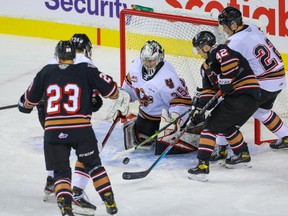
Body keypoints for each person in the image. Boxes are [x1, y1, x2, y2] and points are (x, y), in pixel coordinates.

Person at [18, 40, 118, 216]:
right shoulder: (87, 69)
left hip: (54, 132)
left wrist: (25, 103)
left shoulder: (46, 72)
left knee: (61, 171)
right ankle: (109, 199)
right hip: (81, 131)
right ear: (74, 56)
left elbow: (27, 103)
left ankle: (65, 207)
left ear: (58, 56)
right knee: (94, 165)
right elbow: (112, 90)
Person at [211, 6, 288, 160]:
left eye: (225, 26)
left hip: (264, 83)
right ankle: (286, 135)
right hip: (280, 79)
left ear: (233, 25)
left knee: (226, 110)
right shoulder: (252, 27)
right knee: (261, 111)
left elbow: (228, 68)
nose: (224, 30)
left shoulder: (234, 42)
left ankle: (222, 148)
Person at [187, 31, 261, 182]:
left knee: (210, 125)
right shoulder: (205, 68)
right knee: (226, 125)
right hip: (241, 98)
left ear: (206, 47)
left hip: (244, 94)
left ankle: (202, 166)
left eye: (198, 49)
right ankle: (242, 154)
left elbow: (231, 64)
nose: (198, 53)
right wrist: (199, 109)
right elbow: (210, 93)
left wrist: (225, 79)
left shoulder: (220, 51)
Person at [41, 34, 99, 215]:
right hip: (71, 119)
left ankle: (53, 182)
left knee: (57, 149)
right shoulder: (87, 66)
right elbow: (94, 102)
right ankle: (76, 193)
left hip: (48, 115)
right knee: (86, 151)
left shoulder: (52, 61)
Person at [121, 40, 198, 155]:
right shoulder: (135, 66)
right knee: (140, 140)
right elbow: (129, 89)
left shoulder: (167, 77)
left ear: (159, 58)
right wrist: (122, 100)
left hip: (163, 120)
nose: (148, 63)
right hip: (146, 115)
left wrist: (175, 121)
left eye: (151, 60)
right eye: (145, 60)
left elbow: (182, 103)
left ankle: (191, 131)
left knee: (163, 147)